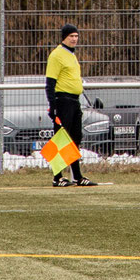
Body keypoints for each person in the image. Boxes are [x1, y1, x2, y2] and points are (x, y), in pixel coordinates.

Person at [44, 23, 96, 188]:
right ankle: (57, 177)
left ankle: (77, 176)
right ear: (64, 37)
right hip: (63, 101)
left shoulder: (71, 55)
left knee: (75, 139)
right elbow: (50, 82)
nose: (74, 39)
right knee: (61, 139)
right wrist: (53, 106)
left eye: (76, 36)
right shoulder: (57, 55)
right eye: (71, 36)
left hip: (74, 101)